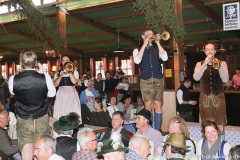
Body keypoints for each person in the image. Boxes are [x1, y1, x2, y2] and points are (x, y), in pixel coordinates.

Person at [8, 50, 56, 160]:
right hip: (41, 117)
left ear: (21, 63)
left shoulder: (13, 79)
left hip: (23, 118)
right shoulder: (45, 77)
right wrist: (43, 74)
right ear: (36, 63)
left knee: (26, 145)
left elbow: (13, 92)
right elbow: (52, 93)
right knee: (41, 148)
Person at [133, 29, 168, 131]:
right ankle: (148, 130)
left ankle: (157, 130)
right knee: (147, 106)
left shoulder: (157, 47)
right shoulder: (137, 49)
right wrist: (144, 44)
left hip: (158, 80)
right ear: (143, 36)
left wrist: (158, 42)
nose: (150, 36)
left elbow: (165, 58)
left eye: (152, 34)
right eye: (148, 34)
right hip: (145, 80)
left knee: (158, 105)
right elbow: (137, 60)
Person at [193, 43, 229, 132]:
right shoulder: (199, 64)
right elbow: (196, 78)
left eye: (212, 49)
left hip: (219, 96)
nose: (209, 51)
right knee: (207, 123)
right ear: (204, 52)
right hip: (204, 97)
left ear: (215, 51)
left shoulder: (222, 63)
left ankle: (220, 142)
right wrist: (205, 63)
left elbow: (225, 79)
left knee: (220, 122)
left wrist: (218, 65)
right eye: (207, 49)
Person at [53, 54, 81, 120]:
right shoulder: (58, 72)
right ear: (61, 62)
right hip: (61, 94)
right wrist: (60, 75)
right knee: (61, 111)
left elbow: (74, 82)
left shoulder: (75, 71)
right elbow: (55, 85)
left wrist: (70, 72)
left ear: (69, 62)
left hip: (71, 94)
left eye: (66, 60)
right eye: (63, 60)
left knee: (71, 111)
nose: (65, 62)